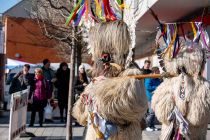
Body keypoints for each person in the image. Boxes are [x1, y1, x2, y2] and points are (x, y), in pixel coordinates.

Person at [144, 67, 161, 131]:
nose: (159, 73)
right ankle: (147, 126)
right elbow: (147, 87)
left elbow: (160, 85)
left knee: (155, 113)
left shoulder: (157, 79)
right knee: (151, 112)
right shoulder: (149, 77)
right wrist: (157, 87)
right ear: (154, 72)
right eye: (158, 71)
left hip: (156, 97)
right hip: (150, 97)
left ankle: (152, 125)